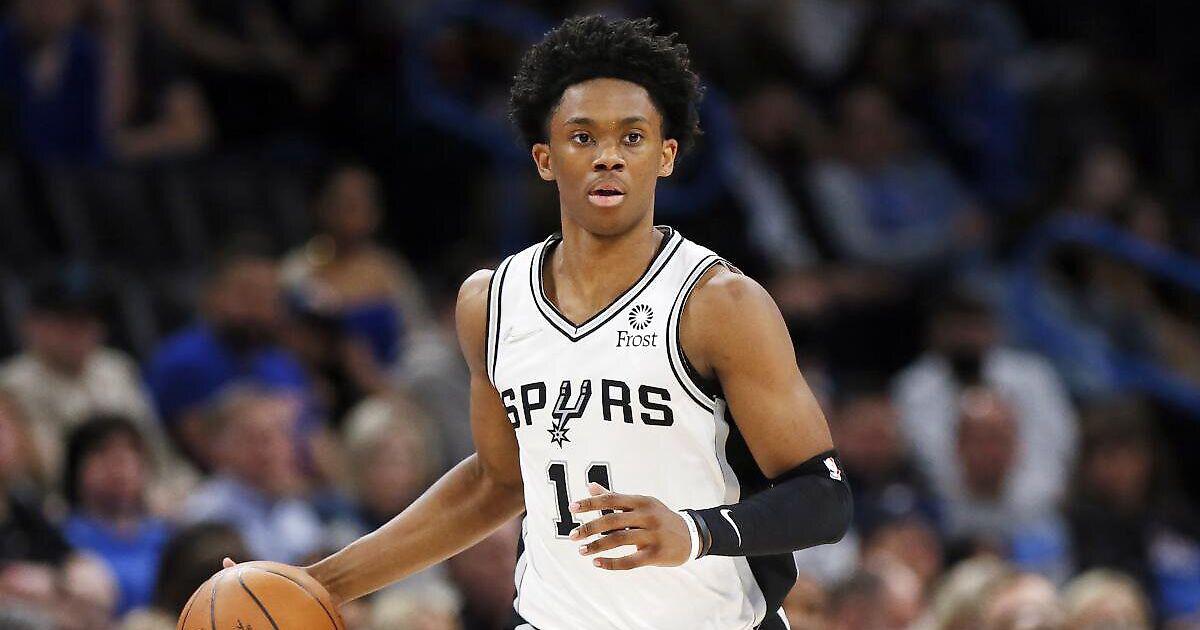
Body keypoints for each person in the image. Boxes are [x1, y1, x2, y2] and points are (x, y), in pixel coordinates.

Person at [228, 16, 851, 630]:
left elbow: (824, 497)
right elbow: (495, 484)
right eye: (583, 137)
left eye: (632, 138)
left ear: (665, 157)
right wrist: (318, 584)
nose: (608, 157)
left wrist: (695, 531)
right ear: (545, 158)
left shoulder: (719, 303)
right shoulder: (490, 303)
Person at [145, 242, 311, 470]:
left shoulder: (280, 362)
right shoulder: (184, 362)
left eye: (270, 296)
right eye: (247, 294)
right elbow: (208, 456)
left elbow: (315, 438)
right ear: (212, 295)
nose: (259, 307)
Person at [0, 271, 160, 488]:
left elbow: (157, 450)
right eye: (68, 322)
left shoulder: (117, 368)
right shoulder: (12, 386)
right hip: (63, 501)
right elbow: (50, 472)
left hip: (149, 492)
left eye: (89, 320)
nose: (80, 331)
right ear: (33, 325)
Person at [182, 387, 323, 564]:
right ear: (220, 450)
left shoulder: (292, 505)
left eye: (280, 434)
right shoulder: (208, 514)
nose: (275, 450)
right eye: (257, 439)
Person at [61, 416, 171, 616]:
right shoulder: (62, 539)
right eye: (102, 452)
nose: (120, 463)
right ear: (77, 468)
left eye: (131, 451)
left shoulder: (166, 534)